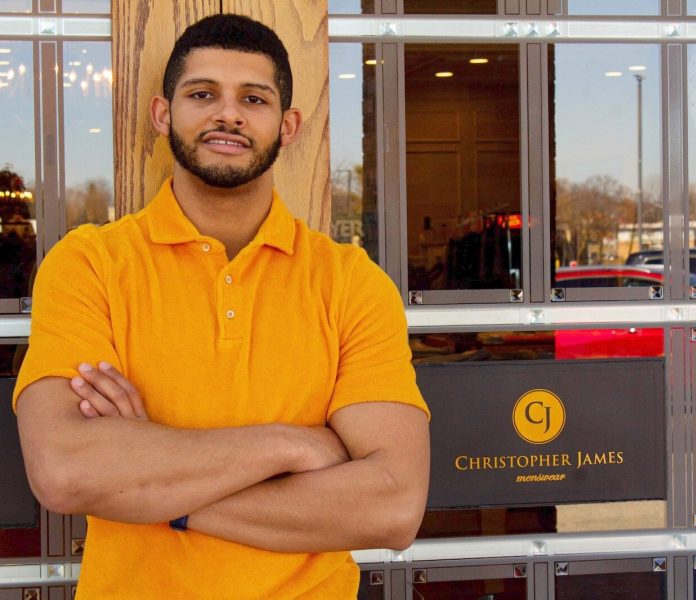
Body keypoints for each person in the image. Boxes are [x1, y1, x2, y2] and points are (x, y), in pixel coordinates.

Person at [13, 14, 430, 599]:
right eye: (203, 93)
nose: (227, 114)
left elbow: (392, 505)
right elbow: (65, 471)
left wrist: (157, 485)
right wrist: (292, 445)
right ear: (163, 114)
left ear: (287, 126)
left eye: (252, 99)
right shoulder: (90, 264)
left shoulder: (350, 283)